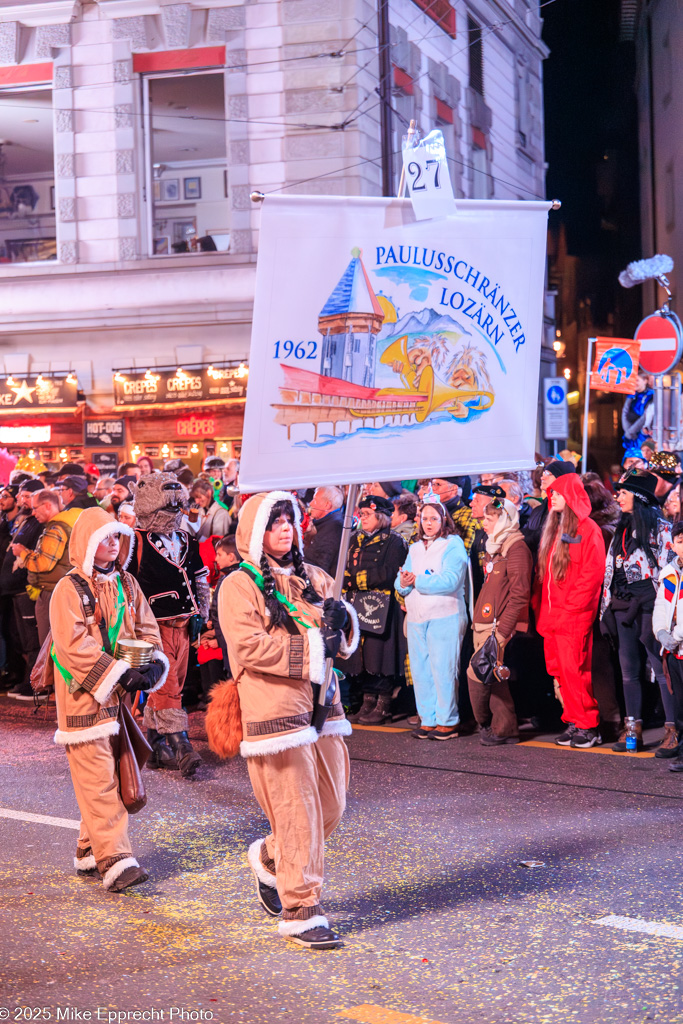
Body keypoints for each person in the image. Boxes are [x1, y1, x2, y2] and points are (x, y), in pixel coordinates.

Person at [217, 491, 359, 949]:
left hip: (323, 707)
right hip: (274, 710)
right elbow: (249, 648)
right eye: (275, 522)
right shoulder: (239, 585)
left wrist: (345, 622)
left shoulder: (315, 576)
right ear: (256, 532)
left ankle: (272, 856)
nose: (285, 528)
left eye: (290, 521)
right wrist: (317, 648)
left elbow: (341, 636)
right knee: (298, 812)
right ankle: (302, 907)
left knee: (331, 806)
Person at [49, 506, 168, 892]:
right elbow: (73, 647)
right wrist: (117, 673)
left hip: (119, 698)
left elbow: (148, 630)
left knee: (110, 777)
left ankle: (88, 848)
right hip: (84, 697)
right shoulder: (68, 589)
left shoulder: (129, 585)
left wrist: (151, 666)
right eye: (105, 538)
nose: (113, 544)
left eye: (118, 537)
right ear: (87, 543)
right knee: (99, 779)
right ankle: (115, 859)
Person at [129, 472, 210, 776]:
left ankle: (153, 748)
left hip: (184, 625)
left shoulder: (188, 538)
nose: (175, 509)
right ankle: (182, 747)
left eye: (178, 504)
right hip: (153, 629)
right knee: (169, 689)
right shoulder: (134, 541)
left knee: (167, 686)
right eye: (168, 504)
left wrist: (202, 612)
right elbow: (126, 586)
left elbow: (200, 577)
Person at [601, 471, 676, 753]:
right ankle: (633, 727)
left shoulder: (662, 529)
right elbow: (611, 569)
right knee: (628, 670)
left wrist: (667, 614)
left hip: (651, 606)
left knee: (660, 669)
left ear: (640, 496)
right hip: (623, 605)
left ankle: (673, 729)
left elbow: (670, 574)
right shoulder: (621, 527)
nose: (617, 496)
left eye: (623, 492)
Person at [536, 473, 605, 748]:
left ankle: (589, 725)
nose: (552, 496)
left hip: (573, 616)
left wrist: (571, 609)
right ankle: (575, 720)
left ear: (572, 496)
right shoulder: (554, 529)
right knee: (560, 671)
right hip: (554, 616)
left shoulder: (588, 530)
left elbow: (592, 575)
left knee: (575, 671)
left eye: (558, 493)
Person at [395, 497, 468, 740]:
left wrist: (417, 581)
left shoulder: (453, 544)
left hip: (444, 614)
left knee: (443, 670)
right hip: (417, 617)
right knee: (421, 670)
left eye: (433, 519)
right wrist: (404, 582)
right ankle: (427, 719)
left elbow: (451, 580)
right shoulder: (415, 547)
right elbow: (401, 581)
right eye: (424, 518)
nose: (428, 523)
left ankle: (447, 721)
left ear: (443, 520)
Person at [467, 498, 532, 745]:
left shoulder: (516, 549)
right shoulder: (496, 546)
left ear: (504, 520)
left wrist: (503, 631)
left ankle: (483, 722)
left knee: (477, 673)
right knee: (493, 679)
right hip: (484, 623)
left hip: (496, 626)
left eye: (489, 519)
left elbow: (519, 594)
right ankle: (504, 729)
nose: (484, 524)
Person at [343, 494, 408, 724]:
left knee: (380, 656)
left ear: (381, 516)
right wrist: (347, 582)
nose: (363, 517)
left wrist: (355, 581)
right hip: (355, 604)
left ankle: (384, 704)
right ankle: (368, 701)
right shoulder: (352, 539)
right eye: (361, 514)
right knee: (362, 656)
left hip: (383, 607)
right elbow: (343, 569)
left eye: (367, 514)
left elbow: (390, 573)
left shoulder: (395, 541)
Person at [11, 489, 83, 645]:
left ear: (48, 506)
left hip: (52, 592)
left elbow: (42, 563)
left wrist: (23, 553)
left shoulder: (56, 529)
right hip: (57, 589)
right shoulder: (63, 524)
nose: (34, 512)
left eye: (36, 508)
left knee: (47, 644)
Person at [1, 481, 44, 699]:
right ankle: (27, 680)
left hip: (27, 587)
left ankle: (35, 684)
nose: (23, 500)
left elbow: (38, 555)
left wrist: (23, 552)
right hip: (14, 588)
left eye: (28, 496)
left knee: (32, 637)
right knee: (20, 638)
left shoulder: (40, 523)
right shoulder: (25, 520)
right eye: (22, 495)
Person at [653, 522, 683, 770]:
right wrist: (661, 633)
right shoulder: (669, 572)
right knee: (680, 704)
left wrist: (677, 635)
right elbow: (661, 607)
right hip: (674, 651)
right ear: (672, 545)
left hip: (679, 642)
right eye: (680, 541)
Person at [304, 486, 345, 576]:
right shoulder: (326, 523)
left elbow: (320, 567)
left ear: (327, 505)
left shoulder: (334, 528)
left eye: (314, 500)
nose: (310, 503)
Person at [429, 478, 476, 553]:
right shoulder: (428, 511)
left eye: (438, 484)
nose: (433, 489)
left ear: (453, 489)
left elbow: (464, 549)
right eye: (432, 484)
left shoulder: (468, 515)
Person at [622, 370, 654, 449]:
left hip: (642, 433)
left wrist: (631, 431)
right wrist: (627, 430)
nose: (634, 383)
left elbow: (645, 416)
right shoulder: (631, 394)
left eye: (637, 380)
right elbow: (625, 411)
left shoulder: (651, 394)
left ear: (645, 381)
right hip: (630, 433)